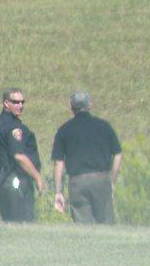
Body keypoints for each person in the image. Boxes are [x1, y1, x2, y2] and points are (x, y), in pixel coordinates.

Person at [51, 91, 122, 224]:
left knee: (83, 228)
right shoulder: (104, 126)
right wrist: (112, 181)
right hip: (101, 181)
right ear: (90, 105)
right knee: (106, 226)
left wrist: (58, 192)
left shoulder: (64, 130)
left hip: (78, 183)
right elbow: (118, 154)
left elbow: (58, 163)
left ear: (71, 106)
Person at [0, 87, 43, 222]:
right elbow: (18, 156)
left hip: (0, 180)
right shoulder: (15, 127)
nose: (20, 105)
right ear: (6, 103)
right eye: (15, 102)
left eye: (22, 102)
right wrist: (37, 177)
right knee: (24, 221)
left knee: (8, 220)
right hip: (17, 180)